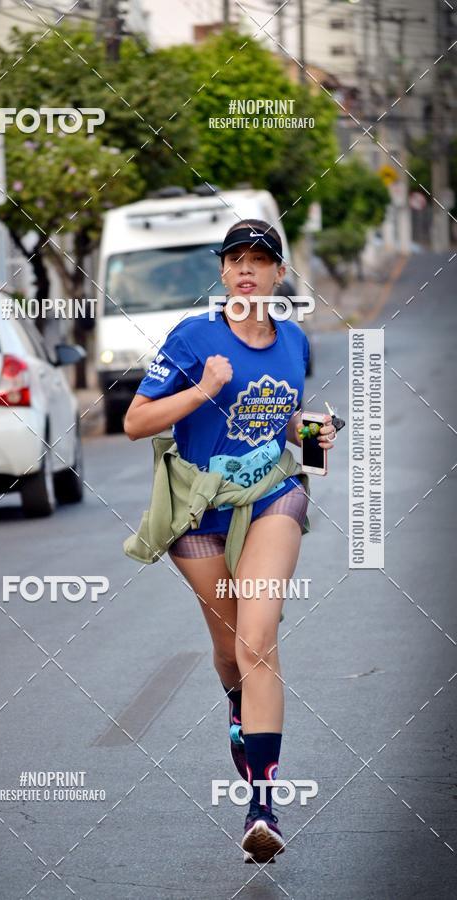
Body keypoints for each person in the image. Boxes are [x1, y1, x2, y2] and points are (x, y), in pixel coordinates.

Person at [123, 218, 337, 863]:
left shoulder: (295, 340)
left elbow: (286, 419)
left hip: (273, 493)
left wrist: (312, 435)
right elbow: (136, 422)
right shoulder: (193, 337)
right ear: (223, 272)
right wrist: (205, 388)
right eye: (235, 259)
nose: (247, 269)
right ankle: (240, 709)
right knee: (229, 651)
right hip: (200, 507)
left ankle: (263, 806)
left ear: (277, 274)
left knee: (257, 637)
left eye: (260, 260)